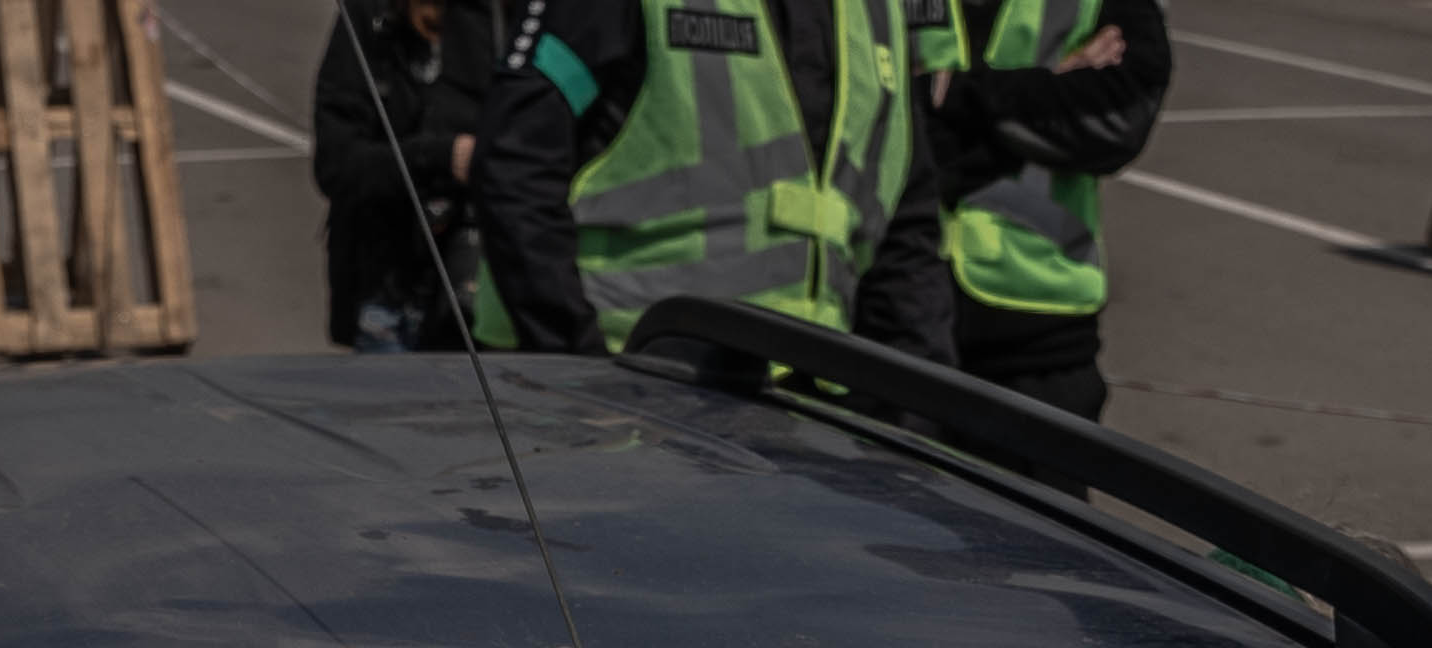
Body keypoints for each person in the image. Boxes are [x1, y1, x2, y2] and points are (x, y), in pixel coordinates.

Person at [469, 0, 920, 347]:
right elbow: (517, 159)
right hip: (623, 379)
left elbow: (908, 220)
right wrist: (574, 354)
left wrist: (910, 413)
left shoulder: (879, 10)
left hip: (809, 391)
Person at [900, 0, 1171, 414]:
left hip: (1038, 324)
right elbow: (861, 101)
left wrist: (952, 93)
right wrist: (1045, 89)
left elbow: (1118, 117)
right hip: (893, 303)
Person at [313, 0, 491, 347]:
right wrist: (438, 156)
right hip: (385, 287)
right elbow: (335, 164)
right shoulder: (369, 18)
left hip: (475, 285)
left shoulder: (497, 20)